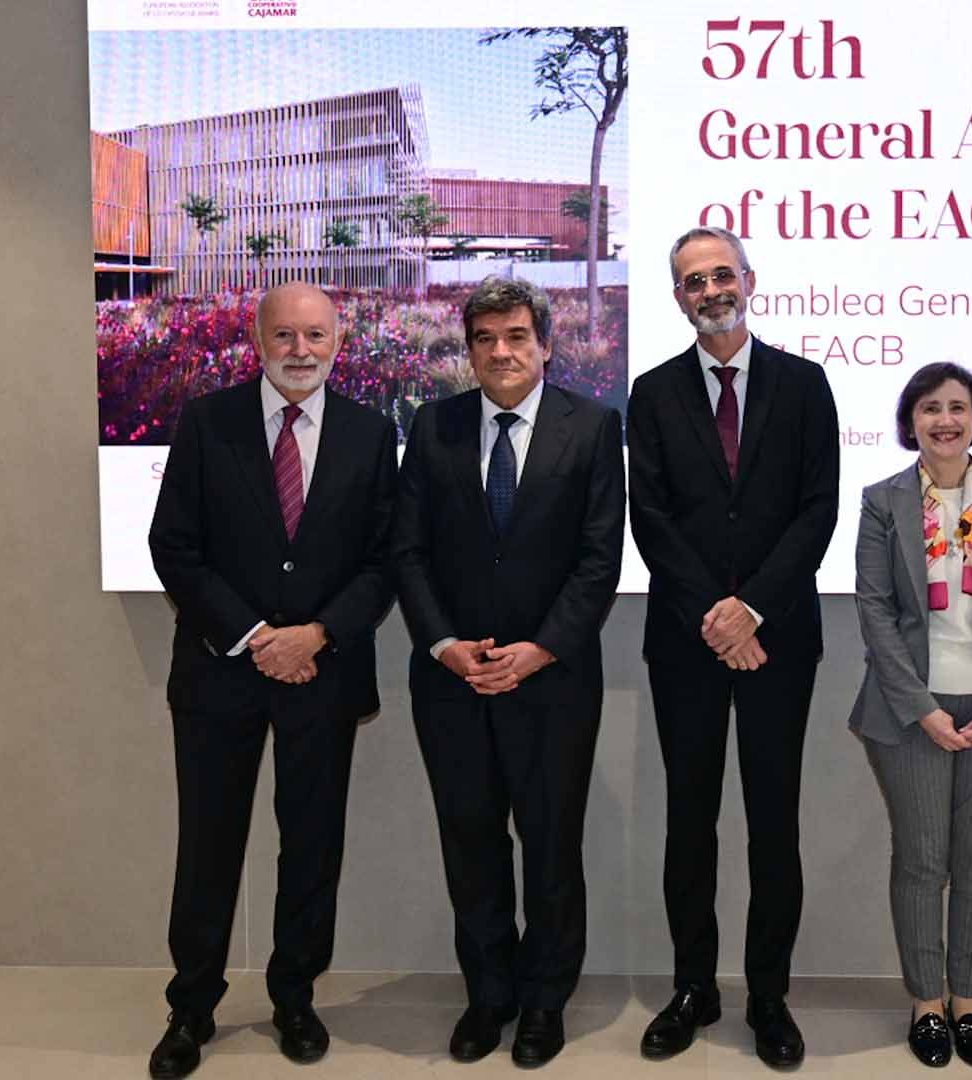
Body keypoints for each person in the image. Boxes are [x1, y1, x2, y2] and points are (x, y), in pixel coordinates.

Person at [145, 281, 399, 1078]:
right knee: (208, 845)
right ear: (258, 340)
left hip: (323, 674)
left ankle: (295, 997)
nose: (300, 350)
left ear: (338, 341)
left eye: (315, 335)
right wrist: (256, 637)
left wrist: (316, 635)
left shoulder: (369, 431)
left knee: (312, 844)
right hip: (222, 673)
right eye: (285, 335)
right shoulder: (205, 422)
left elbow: (387, 560)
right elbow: (174, 548)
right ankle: (191, 1007)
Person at [393, 276, 625, 1068]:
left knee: (552, 845)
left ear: (546, 345)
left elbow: (599, 561)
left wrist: (541, 649)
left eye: (517, 335)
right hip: (452, 679)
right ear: (467, 350)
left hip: (553, 680)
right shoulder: (433, 427)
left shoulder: (592, 428)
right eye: (485, 338)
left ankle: (542, 1002)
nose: (501, 351)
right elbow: (408, 553)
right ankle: (487, 995)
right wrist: (443, 644)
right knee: (471, 841)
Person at [627, 226, 840, 1067]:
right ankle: (692, 988)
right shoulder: (651, 392)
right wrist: (715, 616)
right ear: (677, 297)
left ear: (749, 280)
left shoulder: (804, 383)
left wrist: (751, 609)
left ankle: (769, 997)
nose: (710, 290)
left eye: (721, 274)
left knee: (772, 825)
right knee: (690, 823)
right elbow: (653, 519)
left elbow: (816, 510)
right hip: (686, 642)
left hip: (779, 640)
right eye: (692, 281)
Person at [850, 362, 972, 1068]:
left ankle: (968, 1001)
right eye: (930, 408)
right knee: (922, 861)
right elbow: (873, 610)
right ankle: (926, 1005)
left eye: (957, 407)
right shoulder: (881, 501)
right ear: (910, 422)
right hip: (910, 714)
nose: (945, 420)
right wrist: (922, 709)